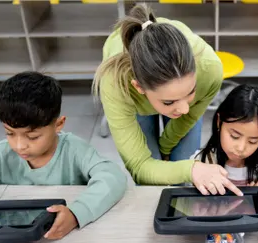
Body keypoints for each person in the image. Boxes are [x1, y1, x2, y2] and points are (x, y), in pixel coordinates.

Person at [0, 71, 128, 239]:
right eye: (10, 133)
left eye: (33, 136)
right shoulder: (1, 154)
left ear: (58, 124)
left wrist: (77, 213)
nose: (19, 146)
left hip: (64, 236)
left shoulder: (75, 151)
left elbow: (113, 177)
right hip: (14, 237)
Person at [93, 3, 242, 197]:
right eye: (169, 102)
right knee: (150, 185)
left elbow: (187, 117)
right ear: (139, 87)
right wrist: (190, 168)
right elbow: (140, 167)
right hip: (132, 95)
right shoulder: (115, 83)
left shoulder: (209, 70)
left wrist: (168, 150)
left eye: (191, 92)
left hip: (173, 73)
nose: (184, 109)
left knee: (182, 166)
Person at [193, 84, 258, 187]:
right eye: (234, 136)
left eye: (253, 141)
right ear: (219, 122)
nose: (241, 148)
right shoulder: (199, 163)